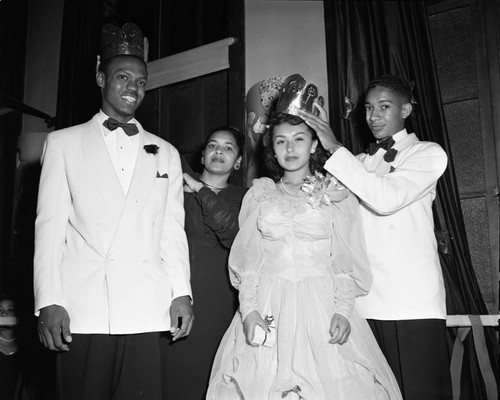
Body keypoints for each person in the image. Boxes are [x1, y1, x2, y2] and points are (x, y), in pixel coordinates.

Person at [207, 77, 402, 399]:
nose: (290, 148)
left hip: (322, 303)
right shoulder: (260, 195)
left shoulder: (336, 194)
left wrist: (341, 310)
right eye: (281, 141)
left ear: (313, 144)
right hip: (269, 302)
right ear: (272, 146)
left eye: (299, 139)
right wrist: (249, 308)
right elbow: (249, 258)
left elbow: (344, 257)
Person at [33, 23, 193, 400]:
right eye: (122, 77)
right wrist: (47, 302)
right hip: (83, 308)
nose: (133, 89)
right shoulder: (62, 143)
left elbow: (171, 229)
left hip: (146, 305)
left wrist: (181, 292)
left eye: (140, 81)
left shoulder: (165, 152)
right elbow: (50, 227)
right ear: (100, 77)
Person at [302, 74, 452, 399]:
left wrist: (333, 145)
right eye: (369, 108)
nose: (373, 116)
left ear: (406, 109)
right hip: (364, 301)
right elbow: (319, 208)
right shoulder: (357, 161)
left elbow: (385, 200)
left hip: (410, 301)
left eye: (384, 107)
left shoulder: (428, 154)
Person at [163, 126, 247, 399]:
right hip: (173, 289)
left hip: (219, 296)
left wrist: (200, 189)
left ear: (238, 162)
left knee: (208, 374)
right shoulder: (174, 190)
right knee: (170, 371)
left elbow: (234, 233)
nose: (219, 151)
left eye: (228, 147)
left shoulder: (245, 197)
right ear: (202, 155)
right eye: (212, 145)